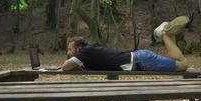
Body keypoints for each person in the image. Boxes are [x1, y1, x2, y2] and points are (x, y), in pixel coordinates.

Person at [62, 16, 190, 72]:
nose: (68, 52)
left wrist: (71, 62)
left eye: (70, 49)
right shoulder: (88, 52)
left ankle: (163, 33)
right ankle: (169, 33)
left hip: (142, 61)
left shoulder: (85, 52)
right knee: (175, 59)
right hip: (141, 59)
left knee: (183, 65)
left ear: (78, 49)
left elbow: (65, 67)